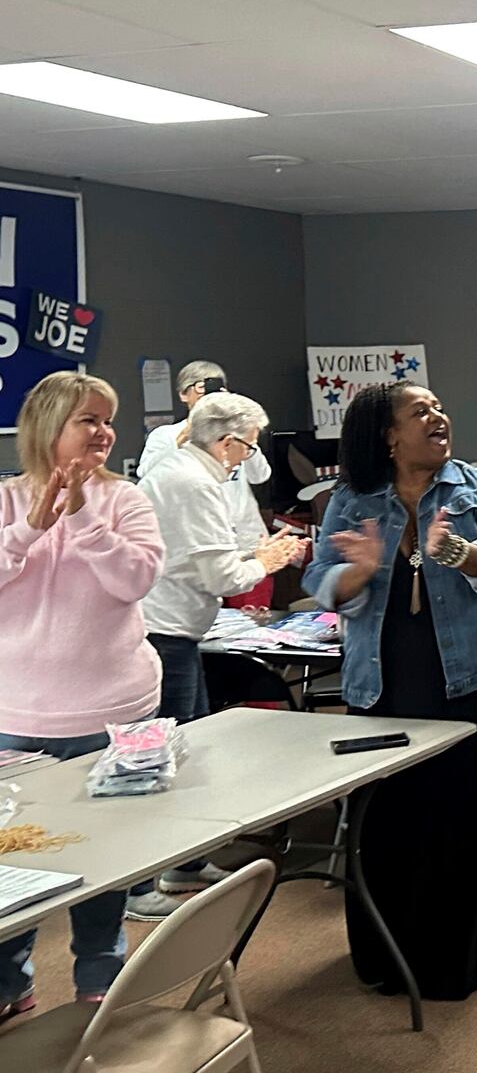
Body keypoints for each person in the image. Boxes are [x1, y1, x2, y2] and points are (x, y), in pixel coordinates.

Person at [304, 382, 477, 999]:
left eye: (439, 406)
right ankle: (388, 951)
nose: (438, 416)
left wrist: (462, 552)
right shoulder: (353, 500)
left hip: (475, 679)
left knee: (465, 816)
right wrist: (356, 570)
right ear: (388, 434)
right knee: (390, 824)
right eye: (420, 412)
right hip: (382, 686)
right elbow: (320, 579)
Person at [0, 373, 165, 1024]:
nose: (103, 432)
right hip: (17, 714)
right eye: (88, 421)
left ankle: (101, 981)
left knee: (105, 860)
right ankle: (9, 983)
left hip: (113, 712)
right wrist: (27, 532)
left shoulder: (126, 500)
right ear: (48, 428)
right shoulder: (8, 498)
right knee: (16, 862)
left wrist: (84, 518)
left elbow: (136, 580)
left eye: (107, 420)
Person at [130, 392, 307, 920]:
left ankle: (186, 863)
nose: (251, 457)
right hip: (165, 633)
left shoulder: (186, 472)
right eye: (250, 446)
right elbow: (220, 577)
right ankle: (140, 885)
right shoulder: (191, 482)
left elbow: (205, 557)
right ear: (228, 443)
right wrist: (269, 561)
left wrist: (254, 555)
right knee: (160, 759)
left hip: (175, 629)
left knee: (192, 745)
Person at [138, 361, 274, 608]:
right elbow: (148, 475)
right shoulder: (166, 435)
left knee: (251, 626)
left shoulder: (236, 436)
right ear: (183, 394)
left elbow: (260, 476)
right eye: (200, 387)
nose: (207, 395)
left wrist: (246, 440)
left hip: (244, 542)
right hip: (197, 552)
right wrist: (186, 436)